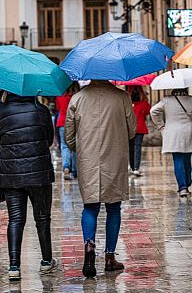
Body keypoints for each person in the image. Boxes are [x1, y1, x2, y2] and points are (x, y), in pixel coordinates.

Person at [65, 80, 136, 278]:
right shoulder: (122, 97)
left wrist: (80, 149)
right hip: (114, 156)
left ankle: (89, 247)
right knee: (114, 207)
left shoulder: (77, 98)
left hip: (87, 159)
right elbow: (132, 130)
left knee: (90, 206)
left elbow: (69, 136)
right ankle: (110, 257)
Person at [0, 92, 58, 281]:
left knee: (16, 219)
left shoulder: (0, 112)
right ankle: (46, 261)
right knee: (42, 218)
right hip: (39, 174)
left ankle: (14, 266)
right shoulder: (41, 111)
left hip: (11, 175)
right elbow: (49, 140)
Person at [150, 88, 192, 198]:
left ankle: (183, 188)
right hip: (189, 132)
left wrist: (161, 125)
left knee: (177, 159)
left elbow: (153, 111)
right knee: (187, 159)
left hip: (173, 134)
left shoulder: (166, 100)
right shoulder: (190, 100)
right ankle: (187, 181)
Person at [56, 83, 79, 180]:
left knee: (64, 145)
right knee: (74, 145)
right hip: (74, 123)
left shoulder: (60, 95)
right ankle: (74, 170)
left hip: (62, 122)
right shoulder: (77, 96)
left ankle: (66, 167)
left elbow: (57, 108)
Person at [128, 86, 151, 176]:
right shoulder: (143, 103)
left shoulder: (128, 103)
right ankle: (136, 168)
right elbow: (148, 111)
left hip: (129, 128)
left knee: (130, 148)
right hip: (140, 128)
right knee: (137, 147)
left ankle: (132, 166)